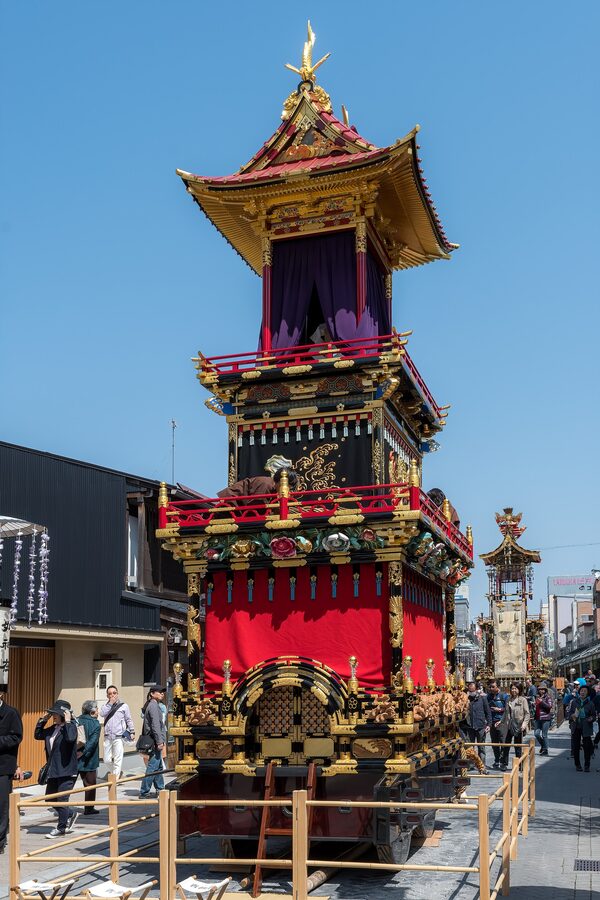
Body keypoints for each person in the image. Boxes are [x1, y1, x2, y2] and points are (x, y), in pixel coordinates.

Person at [35, 699, 79, 838]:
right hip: (54, 770)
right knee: (50, 799)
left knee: (62, 800)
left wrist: (67, 721)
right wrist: (43, 720)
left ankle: (61, 829)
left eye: (56, 714)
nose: (54, 716)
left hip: (67, 770)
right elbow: (38, 735)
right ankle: (70, 814)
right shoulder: (52, 729)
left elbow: (71, 739)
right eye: (52, 713)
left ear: (64, 715)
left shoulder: (70, 727)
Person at [0, 693, 23, 855]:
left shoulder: (11, 713)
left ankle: (0, 840)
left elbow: (16, 737)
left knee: (1, 805)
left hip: (3, 767)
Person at [100, 686, 135, 778]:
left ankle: (115, 779)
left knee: (117, 760)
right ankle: (117, 773)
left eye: (114, 693)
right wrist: (110, 703)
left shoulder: (124, 706)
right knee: (106, 760)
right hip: (107, 737)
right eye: (110, 693)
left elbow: (129, 720)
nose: (112, 695)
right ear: (107, 695)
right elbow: (102, 714)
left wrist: (132, 732)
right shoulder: (105, 706)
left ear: (117, 694)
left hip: (119, 736)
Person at [139, 686, 167, 799]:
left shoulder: (152, 704)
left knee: (158, 766)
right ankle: (144, 791)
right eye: (159, 692)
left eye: (162, 692)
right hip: (155, 741)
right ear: (152, 693)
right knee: (152, 766)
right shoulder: (153, 706)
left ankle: (160, 788)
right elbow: (155, 725)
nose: (162, 694)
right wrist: (160, 741)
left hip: (154, 740)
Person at [77, 700, 101, 815]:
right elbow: (93, 742)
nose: (98, 711)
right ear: (92, 711)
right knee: (90, 785)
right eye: (97, 709)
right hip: (89, 759)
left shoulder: (76, 720)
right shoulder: (95, 724)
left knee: (68, 784)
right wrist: (84, 753)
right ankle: (89, 808)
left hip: (74, 757)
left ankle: (61, 806)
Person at [461, 681, 491, 767]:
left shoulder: (482, 699)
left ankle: (482, 765)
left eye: (473, 689)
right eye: (470, 690)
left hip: (481, 726)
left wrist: (489, 724)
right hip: (470, 727)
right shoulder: (466, 699)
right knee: (470, 748)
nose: (471, 691)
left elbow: (488, 712)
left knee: (481, 748)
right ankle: (470, 765)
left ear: (477, 689)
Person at [567, 685, 597, 772]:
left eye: (584, 691)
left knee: (587, 747)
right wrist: (572, 716)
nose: (582, 692)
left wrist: (591, 718)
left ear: (587, 693)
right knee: (576, 746)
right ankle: (578, 765)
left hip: (586, 726)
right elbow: (569, 713)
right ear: (579, 692)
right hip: (576, 726)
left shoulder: (590, 703)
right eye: (581, 691)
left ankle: (587, 765)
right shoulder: (574, 702)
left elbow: (593, 716)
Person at [487, 681, 510, 770]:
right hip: (492, 722)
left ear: (498, 687)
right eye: (490, 687)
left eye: (493, 687)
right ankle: (497, 760)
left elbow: (508, 709)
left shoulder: (504, 696)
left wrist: (499, 709)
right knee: (494, 743)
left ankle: (503, 762)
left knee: (503, 742)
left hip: (502, 722)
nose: (491, 689)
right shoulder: (489, 696)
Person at [505, 683, 530, 759]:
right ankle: (504, 763)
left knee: (518, 746)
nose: (514, 690)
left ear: (519, 690)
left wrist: (524, 724)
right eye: (512, 688)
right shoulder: (508, 699)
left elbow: (527, 713)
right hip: (509, 725)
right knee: (506, 745)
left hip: (519, 725)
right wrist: (501, 721)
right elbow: (506, 712)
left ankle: (519, 764)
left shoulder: (523, 700)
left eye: (515, 688)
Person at [533, 683, 553, 756]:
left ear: (545, 690)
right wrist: (534, 704)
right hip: (538, 718)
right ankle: (543, 745)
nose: (541, 690)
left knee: (544, 735)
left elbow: (549, 706)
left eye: (542, 689)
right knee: (536, 734)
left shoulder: (548, 697)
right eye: (540, 689)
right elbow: (537, 707)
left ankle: (545, 750)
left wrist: (541, 702)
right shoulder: (537, 697)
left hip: (545, 718)